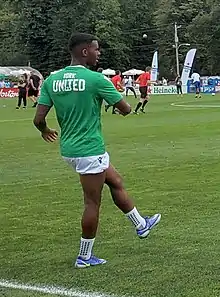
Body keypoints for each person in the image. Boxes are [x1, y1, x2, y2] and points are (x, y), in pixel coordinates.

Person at [33, 33, 161, 269]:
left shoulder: (52, 80)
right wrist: (123, 105)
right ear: (84, 52)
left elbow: (39, 118)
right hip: (89, 149)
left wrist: (44, 130)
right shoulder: (96, 79)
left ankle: (141, 224)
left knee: (115, 181)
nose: (98, 53)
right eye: (96, 49)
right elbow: (125, 109)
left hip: (70, 149)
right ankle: (84, 256)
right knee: (92, 204)